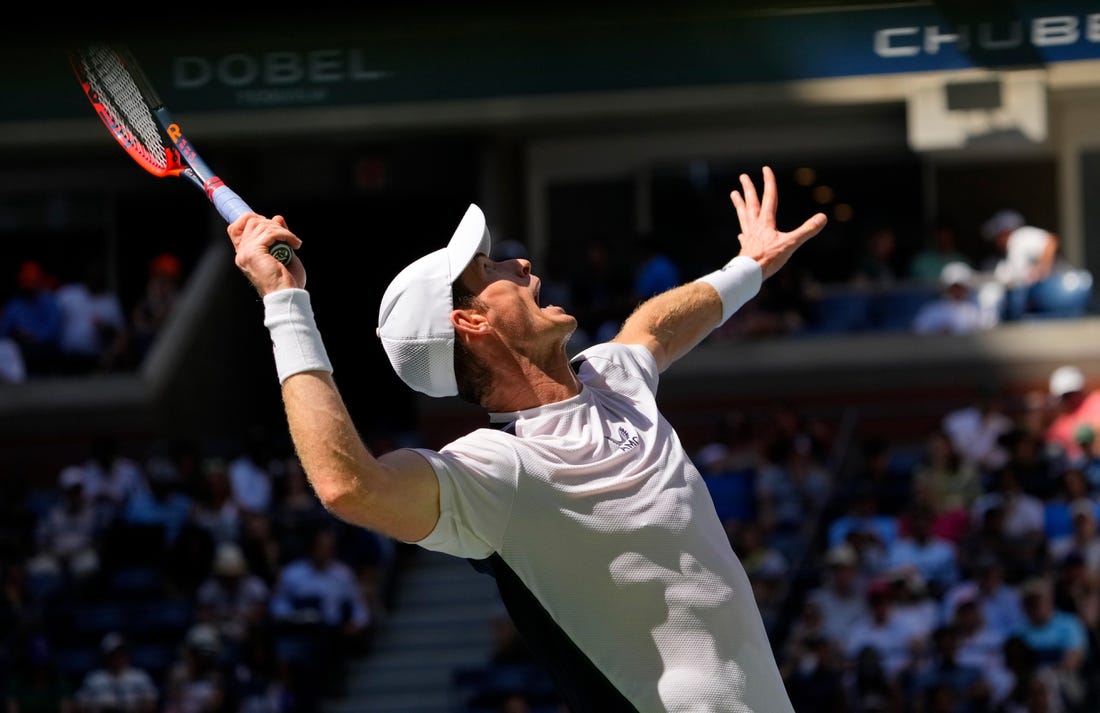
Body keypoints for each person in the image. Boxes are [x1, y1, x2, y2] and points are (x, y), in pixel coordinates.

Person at [227, 165, 827, 711]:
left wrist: (748, 267)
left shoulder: (611, 377)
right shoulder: (496, 469)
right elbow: (348, 486)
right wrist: (285, 302)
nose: (521, 266)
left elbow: (656, 327)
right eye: (490, 270)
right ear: (470, 321)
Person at [911, 261, 996, 335]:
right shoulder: (932, 310)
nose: (957, 290)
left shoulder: (978, 310)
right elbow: (917, 332)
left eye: (961, 287)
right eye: (954, 287)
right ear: (946, 287)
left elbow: (991, 329)